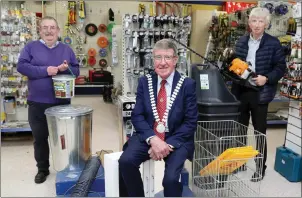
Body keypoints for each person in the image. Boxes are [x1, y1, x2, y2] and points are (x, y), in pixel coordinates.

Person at [118, 39, 198, 197]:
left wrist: (166, 145)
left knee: (170, 180)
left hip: (176, 138)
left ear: (175, 60)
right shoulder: (144, 82)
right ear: (153, 59)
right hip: (149, 134)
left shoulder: (187, 84)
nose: (162, 63)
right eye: (158, 58)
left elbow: (190, 122)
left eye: (167, 58)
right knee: (125, 162)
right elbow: (138, 115)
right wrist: (153, 140)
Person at [17, 16, 80, 184]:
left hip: (62, 103)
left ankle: (66, 165)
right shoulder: (31, 47)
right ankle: (42, 169)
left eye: (52, 27)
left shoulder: (67, 49)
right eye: (45, 27)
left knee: (63, 136)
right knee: (40, 137)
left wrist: (66, 69)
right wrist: (47, 70)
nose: (49, 31)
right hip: (37, 102)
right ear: (40, 30)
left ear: (58, 31)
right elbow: (21, 66)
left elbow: (76, 71)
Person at [231, 7, 286, 182]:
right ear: (249, 22)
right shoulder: (241, 41)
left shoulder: (273, 43)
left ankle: (260, 168)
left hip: (260, 93)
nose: (257, 24)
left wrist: (267, 78)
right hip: (241, 91)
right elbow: (233, 66)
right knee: (240, 130)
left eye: (261, 21)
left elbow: (280, 68)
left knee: (259, 132)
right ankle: (239, 163)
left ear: (266, 24)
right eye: (254, 20)